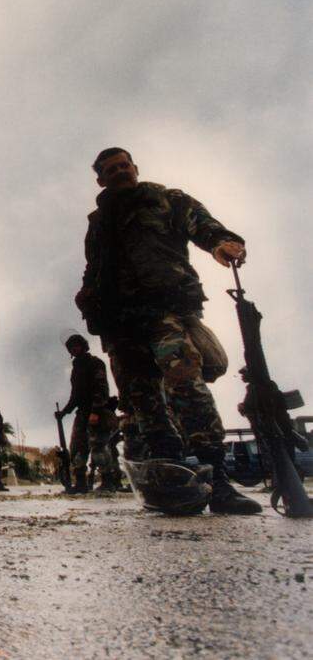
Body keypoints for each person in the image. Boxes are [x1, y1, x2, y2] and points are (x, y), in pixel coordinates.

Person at [75, 146, 259, 514]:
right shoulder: (99, 221)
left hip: (165, 310)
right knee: (143, 404)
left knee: (185, 381)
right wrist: (88, 298)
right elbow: (93, 267)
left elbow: (201, 223)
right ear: (100, 179)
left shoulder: (164, 199)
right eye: (111, 169)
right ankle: (171, 484)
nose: (119, 172)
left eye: (124, 165)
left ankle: (218, 481)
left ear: (135, 168)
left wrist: (221, 242)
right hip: (120, 323)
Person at [57, 334, 122, 493]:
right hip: (83, 412)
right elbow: (75, 395)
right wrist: (64, 412)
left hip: (97, 411)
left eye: (77, 345)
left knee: (98, 446)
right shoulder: (76, 367)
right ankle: (80, 483)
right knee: (77, 447)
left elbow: (102, 389)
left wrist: (96, 411)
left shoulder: (95, 363)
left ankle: (108, 481)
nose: (74, 349)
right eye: (71, 347)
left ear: (84, 346)